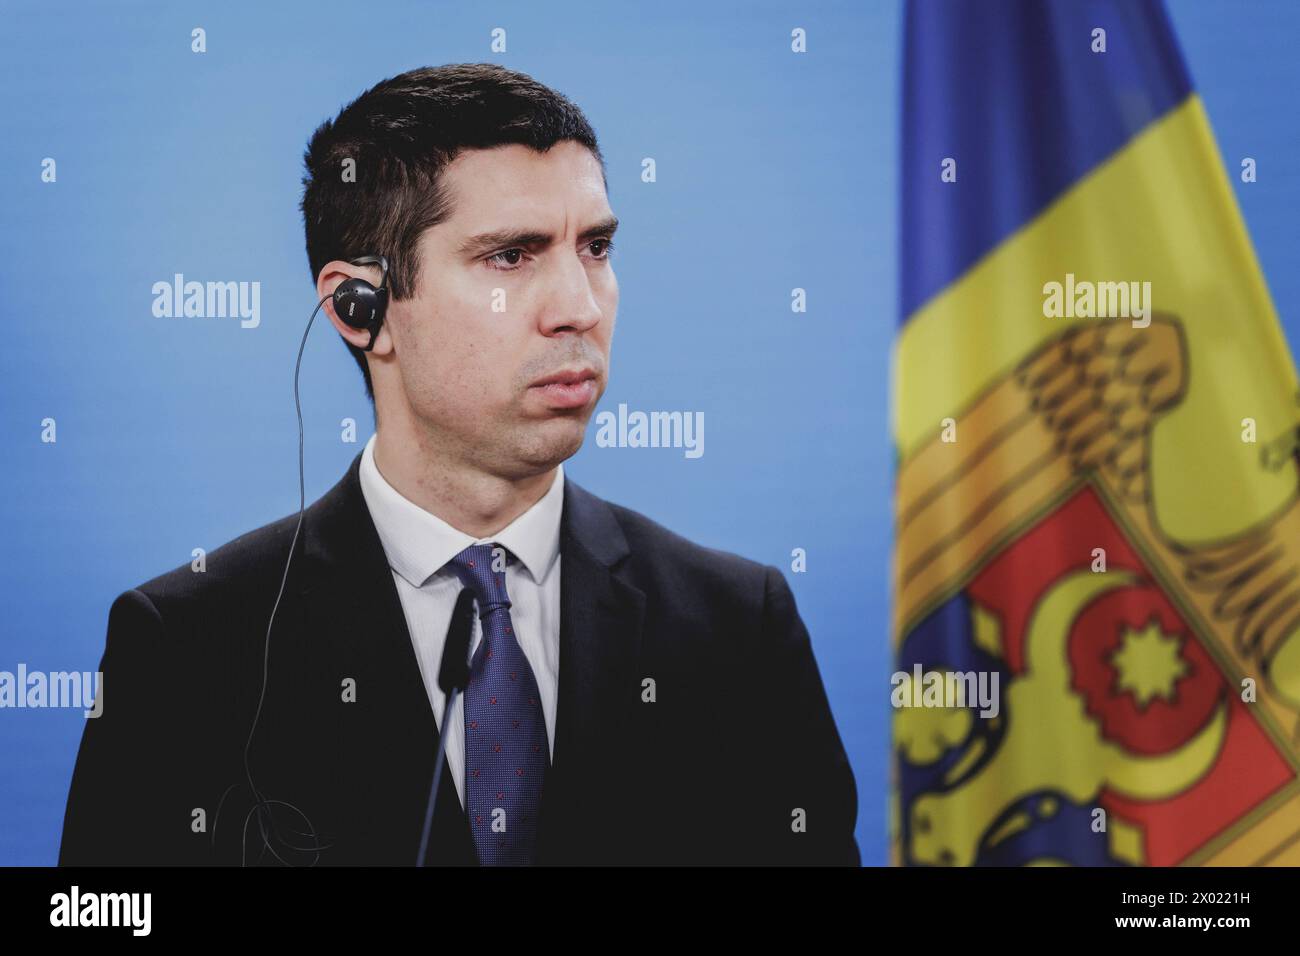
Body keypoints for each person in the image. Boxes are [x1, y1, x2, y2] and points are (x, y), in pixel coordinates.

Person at [59, 63, 858, 866]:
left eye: (597, 247)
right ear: (359, 309)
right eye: (512, 257)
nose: (579, 306)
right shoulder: (190, 650)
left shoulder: (737, 629)